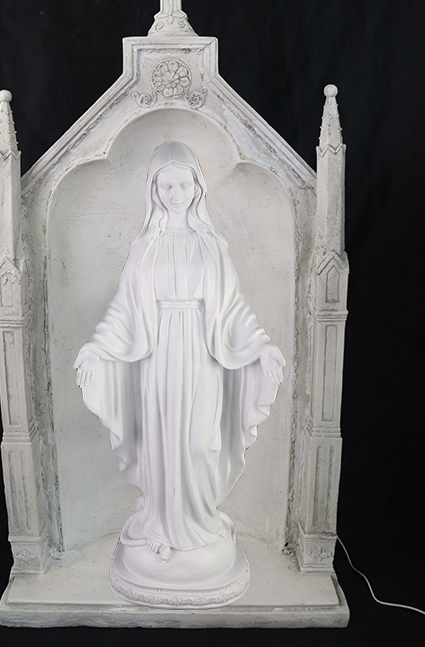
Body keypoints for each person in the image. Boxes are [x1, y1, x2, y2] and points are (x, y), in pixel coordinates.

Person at [74, 142, 284, 561]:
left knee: (200, 441)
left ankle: (199, 519)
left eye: (184, 185)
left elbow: (233, 308)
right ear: (153, 189)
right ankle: (161, 522)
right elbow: (125, 307)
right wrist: (96, 349)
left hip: (203, 354)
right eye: (166, 186)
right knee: (162, 440)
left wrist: (262, 347)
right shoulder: (145, 247)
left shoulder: (212, 246)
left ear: (197, 186)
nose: (176, 194)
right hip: (158, 357)